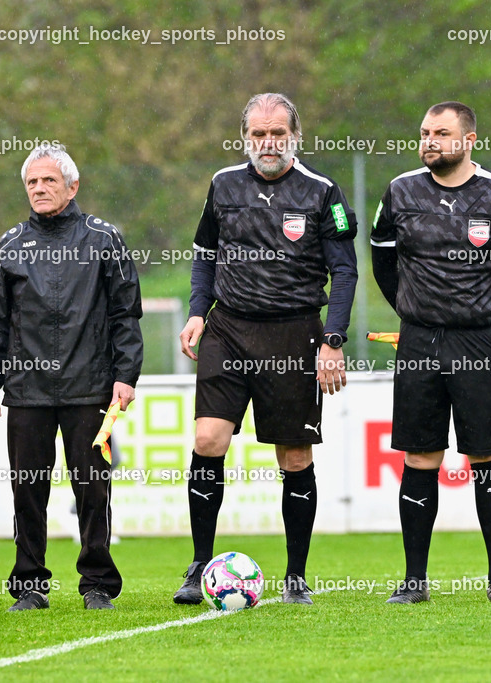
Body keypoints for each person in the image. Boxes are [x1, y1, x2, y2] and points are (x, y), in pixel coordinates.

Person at [172, 93, 357, 605]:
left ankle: (295, 575)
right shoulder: (223, 184)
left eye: (278, 134)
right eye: (258, 134)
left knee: (294, 457)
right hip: (227, 328)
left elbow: (345, 271)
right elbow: (205, 254)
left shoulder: (322, 192)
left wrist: (332, 340)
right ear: (245, 138)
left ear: (295, 136)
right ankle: (198, 565)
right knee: (208, 440)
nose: (268, 143)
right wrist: (195, 312)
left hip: (295, 335)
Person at [371, 101, 491, 604]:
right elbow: (383, 264)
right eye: (424, 132)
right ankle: (413, 582)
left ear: (468, 139)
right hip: (419, 341)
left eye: (441, 133)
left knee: (487, 454)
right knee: (420, 455)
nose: (429, 140)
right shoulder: (400, 191)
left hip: (480, 343)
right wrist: (412, 310)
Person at [0, 144, 143, 611]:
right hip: (26, 391)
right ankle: (29, 585)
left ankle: (97, 585)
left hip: (90, 387)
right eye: (32, 182)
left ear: (73, 186)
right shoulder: (10, 244)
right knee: (27, 490)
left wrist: (126, 375)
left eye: (49, 180)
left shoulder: (104, 239)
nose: (39, 188)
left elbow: (126, 314)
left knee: (92, 488)